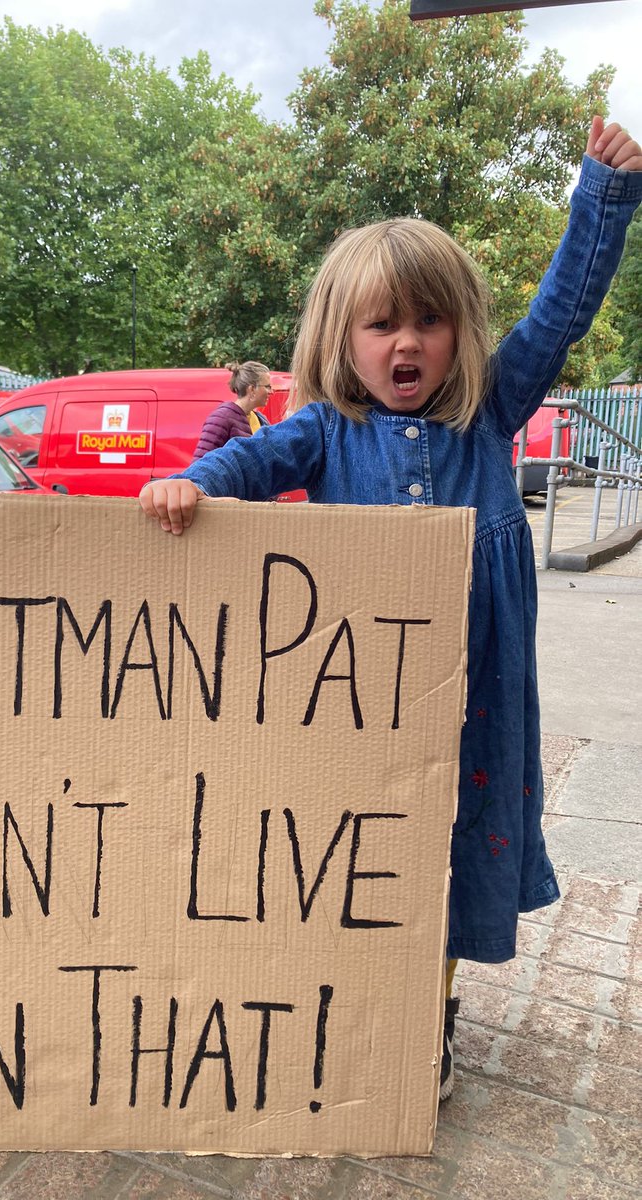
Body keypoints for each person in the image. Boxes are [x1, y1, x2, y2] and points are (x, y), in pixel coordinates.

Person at [141, 116, 642, 1101]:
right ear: (344, 338)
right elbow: (247, 462)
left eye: (428, 319)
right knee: (354, 857)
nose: (406, 341)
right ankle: (343, 1006)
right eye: (382, 324)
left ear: (458, 331)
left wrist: (604, 195)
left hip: (472, 712)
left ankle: (430, 1014)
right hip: (353, 720)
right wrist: (189, 484)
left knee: (447, 861)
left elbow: (561, 313)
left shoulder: (487, 411)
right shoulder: (325, 433)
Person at [192, 361, 272, 459]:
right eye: (267, 387)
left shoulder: (261, 420)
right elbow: (200, 465)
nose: (271, 392)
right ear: (252, 389)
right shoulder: (221, 418)